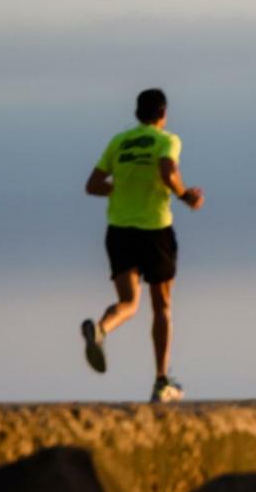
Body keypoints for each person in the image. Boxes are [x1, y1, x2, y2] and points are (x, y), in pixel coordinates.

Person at [81, 89, 204, 403]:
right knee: (161, 307)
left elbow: (93, 185)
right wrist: (184, 195)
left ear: (137, 113)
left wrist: (122, 192)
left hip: (119, 231)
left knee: (128, 303)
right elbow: (167, 171)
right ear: (163, 113)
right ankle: (161, 381)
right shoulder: (167, 140)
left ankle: (100, 329)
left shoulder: (118, 142)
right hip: (154, 231)